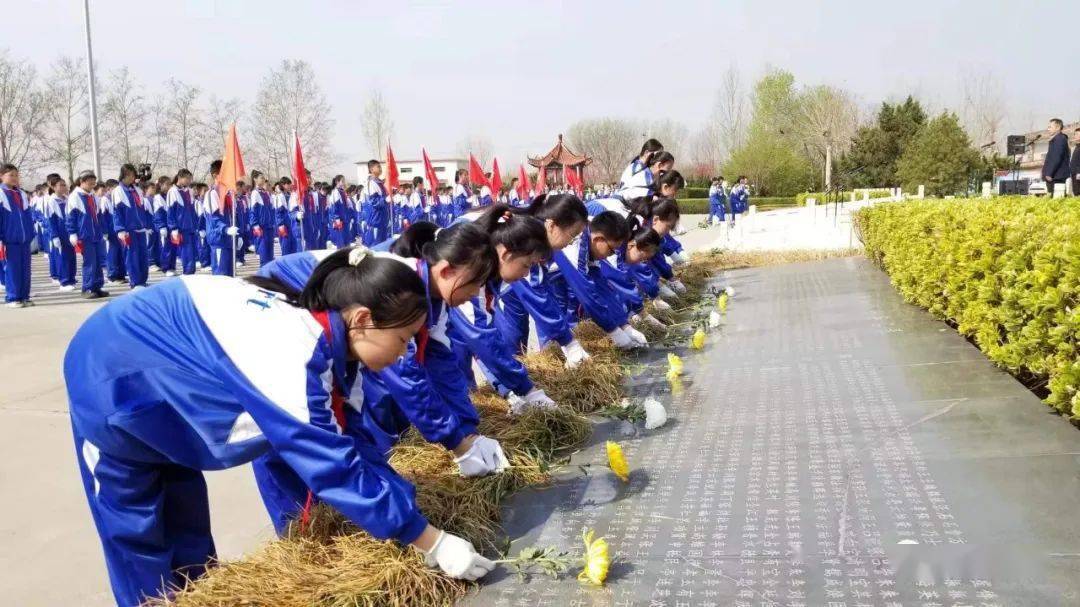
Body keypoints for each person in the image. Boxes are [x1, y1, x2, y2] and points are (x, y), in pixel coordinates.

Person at [67, 247, 496, 607]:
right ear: (363, 319)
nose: (404, 352)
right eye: (403, 339)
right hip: (112, 376)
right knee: (138, 533)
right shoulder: (293, 352)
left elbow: (351, 440)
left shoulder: (329, 342)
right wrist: (430, 542)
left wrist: (412, 515)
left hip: (168, 373)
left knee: (187, 525)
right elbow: (334, 467)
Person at [493, 194, 591, 366]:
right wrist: (569, 342)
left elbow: (543, 292)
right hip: (485, 278)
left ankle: (519, 367)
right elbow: (537, 295)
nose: (571, 242)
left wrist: (565, 338)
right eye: (572, 235)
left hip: (506, 280)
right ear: (552, 225)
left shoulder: (544, 244)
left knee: (515, 333)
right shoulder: (529, 241)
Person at [549, 210, 647, 350]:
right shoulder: (576, 249)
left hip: (554, 274)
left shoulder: (590, 244)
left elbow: (604, 290)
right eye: (612, 250)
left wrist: (624, 325)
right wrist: (613, 331)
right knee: (550, 317)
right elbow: (589, 297)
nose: (610, 255)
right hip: (524, 278)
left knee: (562, 311)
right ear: (598, 240)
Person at [66, 171, 109, 299]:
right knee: (89, 263)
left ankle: (97, 286)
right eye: (89, 181)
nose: (92, 184)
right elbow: (70, 217)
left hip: (96, 235)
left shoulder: (93, 196)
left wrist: (103, 231)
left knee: (98, 262)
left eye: (93, 181)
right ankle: (87, 288)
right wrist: (72, 233)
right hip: (85, 236)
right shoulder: (75, 197)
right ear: (82, 181)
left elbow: (99, 216)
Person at [111, 164, 151, 288]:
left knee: (143, 256)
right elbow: (117, 212)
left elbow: (143, 209)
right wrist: (120, 229)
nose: (134, 178)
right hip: (129, 230)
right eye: (132, 175)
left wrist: (147, 225)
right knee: (132, 257)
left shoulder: (137, 190)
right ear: (125, 175)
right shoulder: (118, 191)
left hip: (140, 229)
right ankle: (135, 282)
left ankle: (142, 281)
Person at [0, 163, 35, 307]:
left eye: (16, 175)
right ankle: (13, 297)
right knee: (13, 269)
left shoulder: (20, 193)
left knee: (25, 269)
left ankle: (24, 296)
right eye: (10, 175)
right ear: (1, 176)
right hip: (9, 240)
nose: (14, 178)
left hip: (24, 239)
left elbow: (27, 216)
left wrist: (31, 233)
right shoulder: (1, 194)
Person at [46, 175, 77, 291]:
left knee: (71, 257)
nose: (64, 187)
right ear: (54, 187)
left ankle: (71, 279)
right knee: (62, 257)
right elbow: (50, 220)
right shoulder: (51, 201)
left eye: (65, 185)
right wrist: (54, 236)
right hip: (60, 233)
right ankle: (64, 281)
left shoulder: (67, 198)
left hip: (69, 232)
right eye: (61, 185)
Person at [166, 169, 198, 275]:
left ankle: (191, 272)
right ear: (179, 177)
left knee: (192, 251)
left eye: (190, 178)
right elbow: (170, 211)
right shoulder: (173, 191)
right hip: (181, 227)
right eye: (187, 178)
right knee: (187, 252)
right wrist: (173, 228)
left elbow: (193, 210)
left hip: (191, 227)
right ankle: (188, 273)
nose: (189, 181)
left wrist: (196, 224)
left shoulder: (189, 191)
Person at [248, 171, 276, 266]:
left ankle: (270, 275)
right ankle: (263, 274)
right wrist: (255, 225)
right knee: (264, 253)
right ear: (255, 179)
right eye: (261, 177)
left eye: (263, 177)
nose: (263, 179)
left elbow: (271, 210)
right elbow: (252, 212)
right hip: (261, 228)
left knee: (270, 253)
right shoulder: (255, 193)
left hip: (269, 227)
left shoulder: (266, 193)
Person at [152, 176, 176, 276]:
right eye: (166, 184)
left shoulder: (169, 195)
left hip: (171, 226)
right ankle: (166, 267)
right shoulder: (157, 197)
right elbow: (158, 214)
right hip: (164, 227)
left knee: (173, 247)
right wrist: (161, 226)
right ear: (161, 185)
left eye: (169, 184)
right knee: (166, 247)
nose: (168, 186)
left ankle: (172, 266)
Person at [1042, 118, 1071, 196]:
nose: (1048, 129)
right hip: (1055, 175)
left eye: (1050, 127)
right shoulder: (1056, 139)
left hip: (1056, 176)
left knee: (1057, 199)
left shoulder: (1059, 139)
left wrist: (1049, 173)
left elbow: (1056, 157)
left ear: (1058, 127)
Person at [364, 160, 389, 245]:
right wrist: (385, 200)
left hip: (382, 220)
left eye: (380, 166)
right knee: (375, 247)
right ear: (371, 169)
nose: (380, 168)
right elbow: (373, 202)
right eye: (378, 167)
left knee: (382, 246)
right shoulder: (371, 183)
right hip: (375, 220)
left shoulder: (379, 182)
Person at [328, 175, 350, 249]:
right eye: (342, 181)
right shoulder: (335, 192)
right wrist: (337, 219)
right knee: (340, 243)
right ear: (337, 182)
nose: (344, 183)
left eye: (344, 181)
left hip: (345, 220)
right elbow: (334, 208)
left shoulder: (342, 192)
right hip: (339, 221)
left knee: (347, 242)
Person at [1071, 127, 1080, 196]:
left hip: (1078, 174)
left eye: (1077, 134)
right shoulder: (1077, 146)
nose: (1075, 136)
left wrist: (1079, 172)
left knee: (1078, 192)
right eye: (1075, 134)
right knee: (1075, 192)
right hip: (1074, 174)